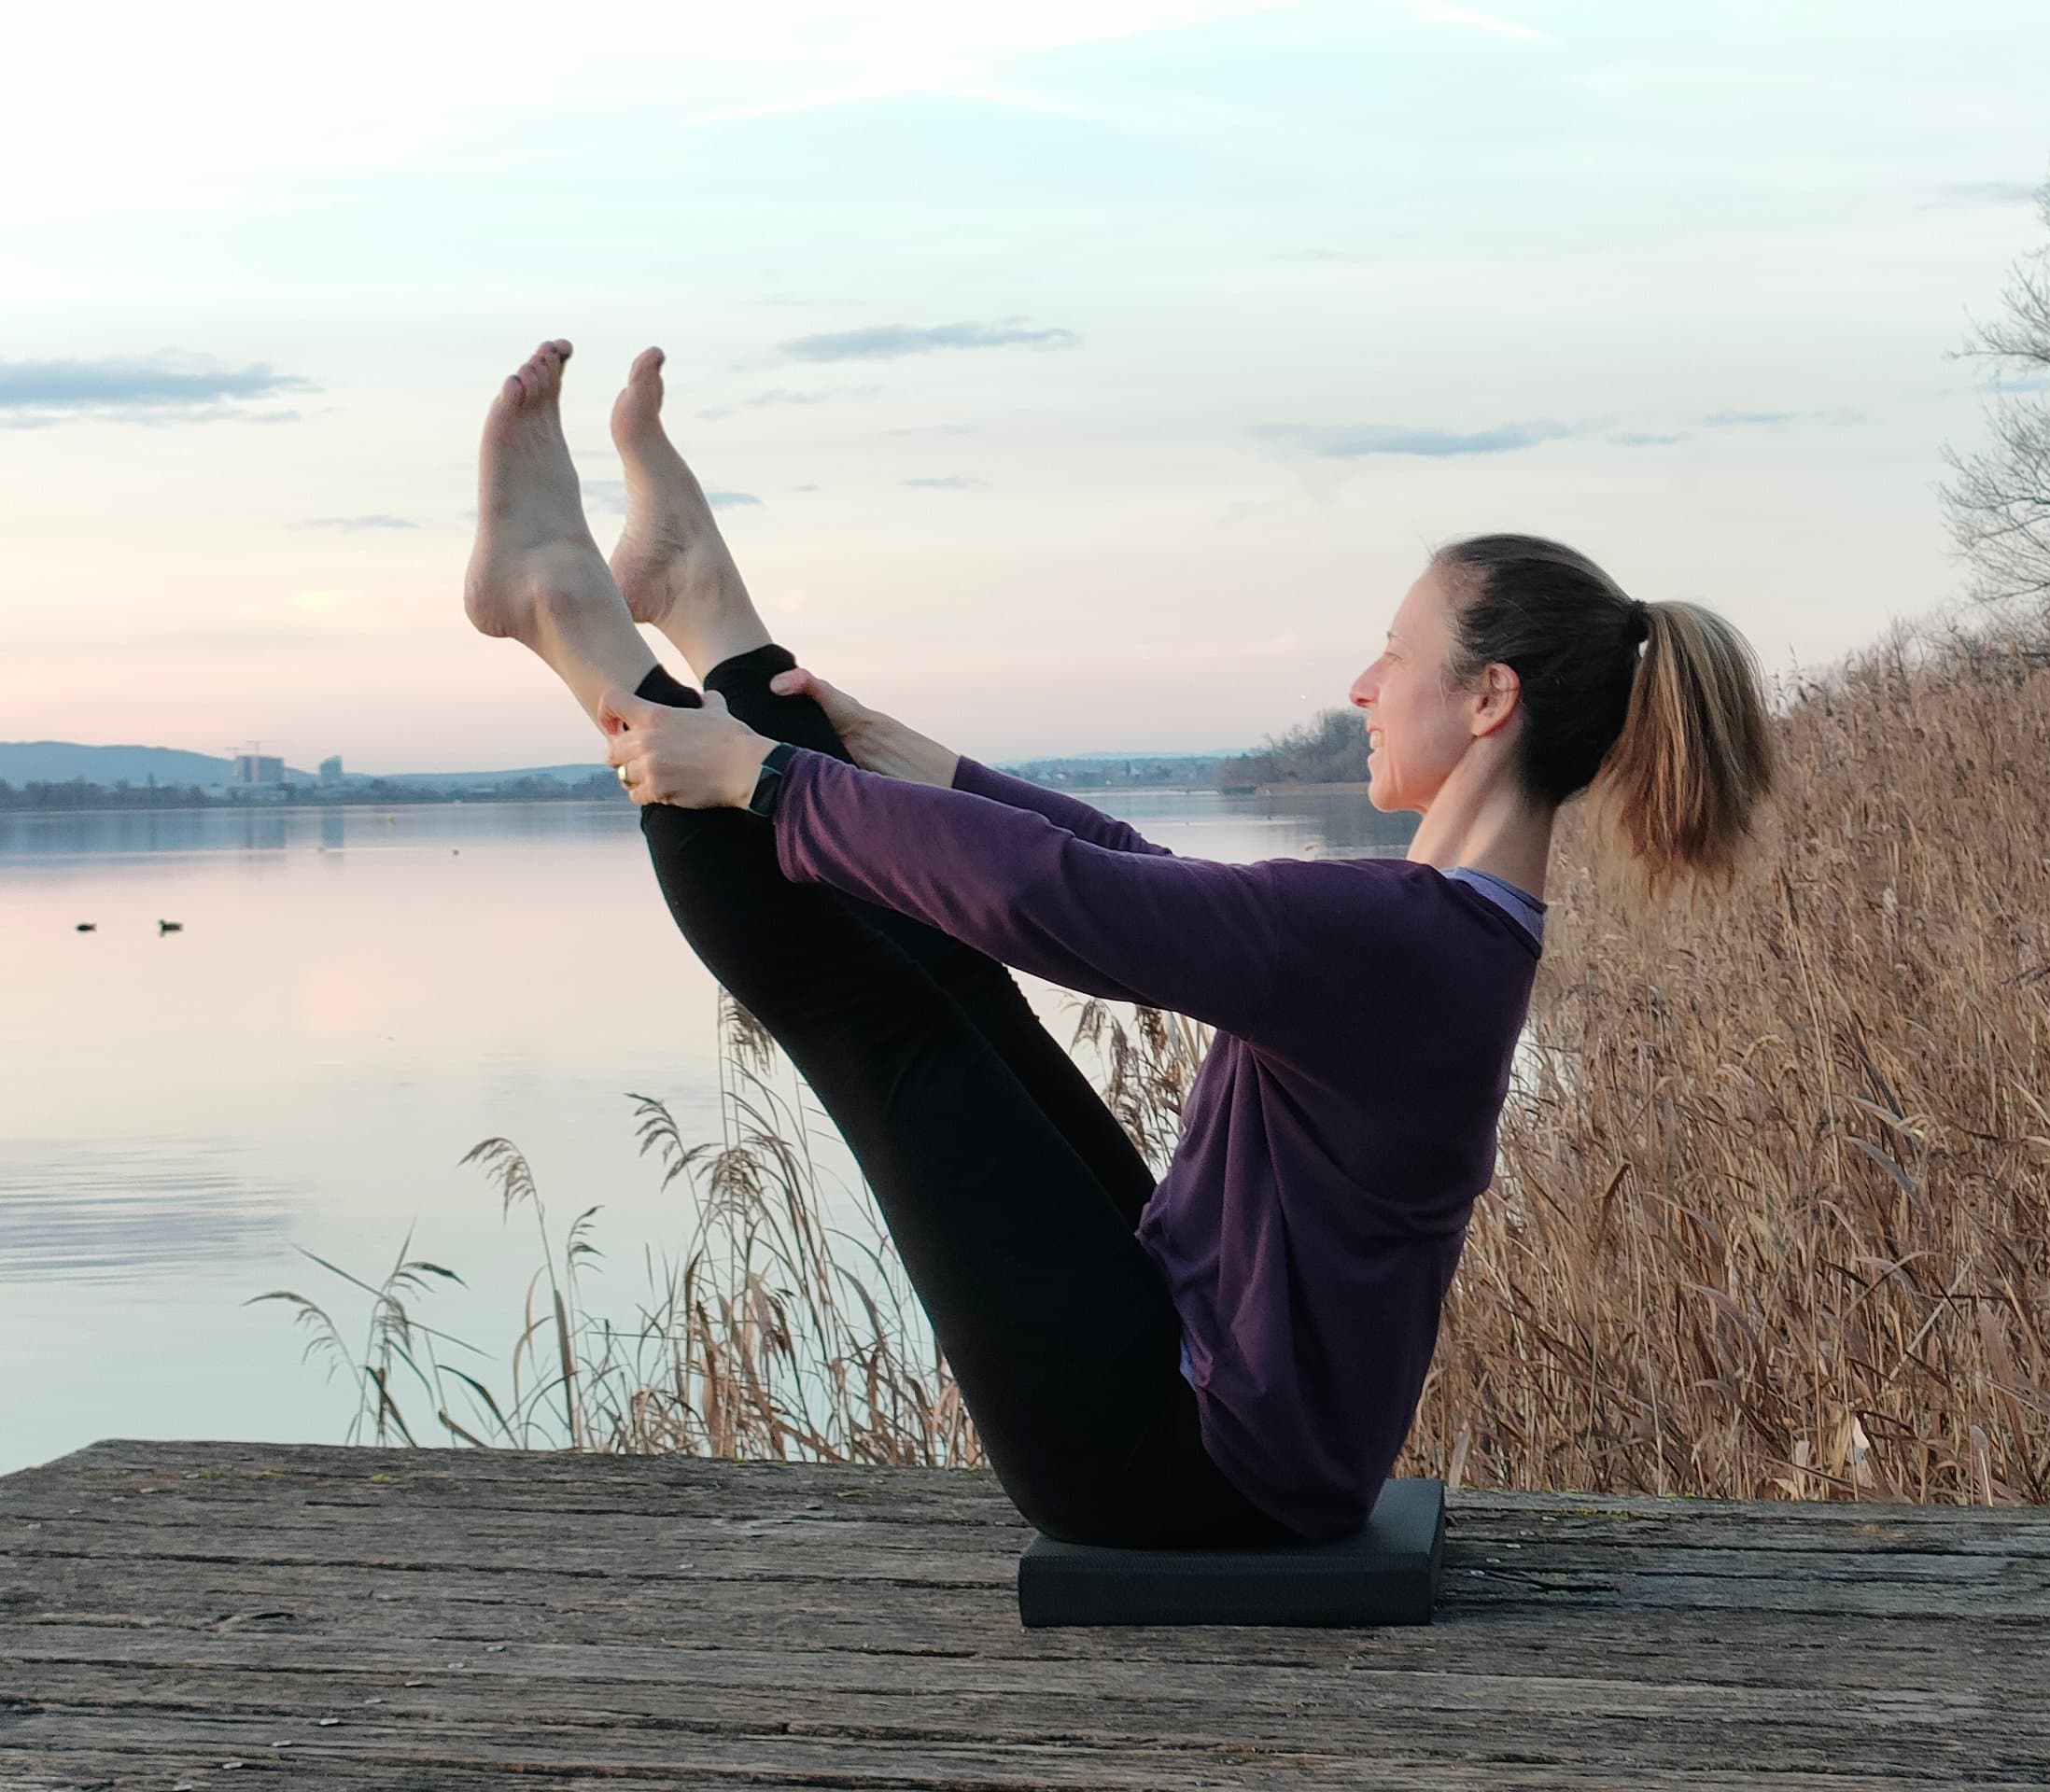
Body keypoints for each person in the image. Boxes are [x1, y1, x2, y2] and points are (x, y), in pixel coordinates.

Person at [464, 337, 1779, 1548]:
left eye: (1394, 654)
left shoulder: (1409, 939)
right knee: (956, 981)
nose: (1363, 686)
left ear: (1491, 697)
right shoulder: (1438, 931)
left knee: (884, 1017)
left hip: (1184, 1469)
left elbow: (1076, 905)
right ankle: (708, 614)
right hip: (1214, 1413)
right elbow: (1137, 880)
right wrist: (913, 759)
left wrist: (768, 780)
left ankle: (573, 622)